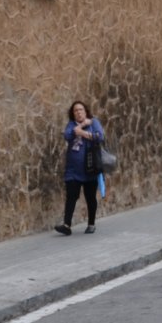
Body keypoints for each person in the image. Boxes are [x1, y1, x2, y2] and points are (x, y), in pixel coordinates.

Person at [55, 100, 103, 235]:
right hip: (73, 170)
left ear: (86, 111)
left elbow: (99, 137)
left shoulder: (94, 122)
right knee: (71, 196)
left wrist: (81, 132)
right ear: (73, 113)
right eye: (75, 110)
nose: (78, 112)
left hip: (90, 168)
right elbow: (67, 135)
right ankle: (66, 225)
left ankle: (91, 224)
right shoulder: (71, 124)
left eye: (81, 109)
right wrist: (81, 125)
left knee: (90, 197)